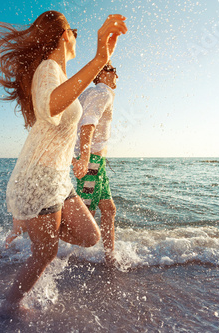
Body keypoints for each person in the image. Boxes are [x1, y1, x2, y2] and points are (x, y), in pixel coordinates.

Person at [0, 11, 127, 315]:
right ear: (63, 36)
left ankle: (33, 220)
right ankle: (8, 307)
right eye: (73, 30)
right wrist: (99, 59)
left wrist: (102, 61)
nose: (76, 34)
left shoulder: (59, 76)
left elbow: (67, 104)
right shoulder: (47, 69)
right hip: (39, 179)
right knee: (45, 253)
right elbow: (49, 108)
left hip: (57, 180)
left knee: (90, 236)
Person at [72, 62, 119, 265]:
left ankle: (110, 257)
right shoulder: (102, 93)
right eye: (113, 70)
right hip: (91, 162)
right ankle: (59, 253)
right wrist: (84, 159)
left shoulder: (91, 93)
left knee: (108, 209)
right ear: (101, 74)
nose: (117, 75)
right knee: (86, 218)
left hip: (96, 162)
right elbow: (87, 125)